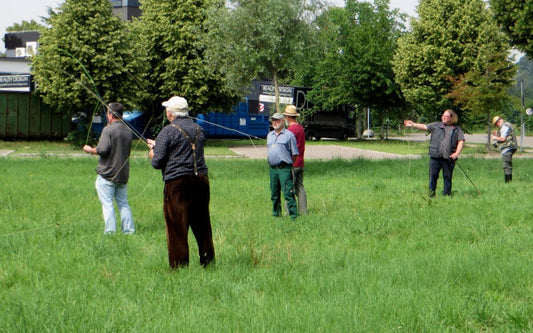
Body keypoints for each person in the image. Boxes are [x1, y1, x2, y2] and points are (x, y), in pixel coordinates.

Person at [147, 96, 215, 269]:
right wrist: (160, 146)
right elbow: (183, 147)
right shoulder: (199, 129)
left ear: (170, 113)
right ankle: (208, 262)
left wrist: (153, 152)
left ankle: (179, 266)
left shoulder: (167, 131)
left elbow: (157, 162)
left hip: (177, 184)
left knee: (177, 226)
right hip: (200, 181)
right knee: (202, 224)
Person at [83, 102, 135, 234]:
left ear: (110, 114)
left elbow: (102, 150)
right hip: (123, 175)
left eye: (107, 113)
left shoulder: (108, 130)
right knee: (123, 203)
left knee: (108, 205)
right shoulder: (128, 131)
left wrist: (89, 150)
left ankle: (110, 232)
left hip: (107, 174)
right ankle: (129, 231)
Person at [404, 109, 465, 196]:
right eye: (443, 115)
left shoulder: (456, 129)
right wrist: (413, 124)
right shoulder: (436, 125)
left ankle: (446, 195)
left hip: (448, 157)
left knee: (447, 177)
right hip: (435, 157)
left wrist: (456, 153)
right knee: (433, 177)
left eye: (446, 116)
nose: (444, 117)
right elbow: (425, 126)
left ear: (452, 118)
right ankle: (431, 194)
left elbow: (461, 141)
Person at [267, 113, 299, 219]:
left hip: (284, 168)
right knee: (274, 194)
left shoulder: (289, 135)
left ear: (282, 121)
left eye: (277, 120)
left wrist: (287, 164)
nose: (274, 123)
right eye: (273, 121)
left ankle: (293, 216)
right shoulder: (269, 136)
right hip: (273, 169)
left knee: (288, 193)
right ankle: (276, 214)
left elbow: (295, 154)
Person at [283, 104, 307, 215]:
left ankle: (290, 213)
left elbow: (286, 147)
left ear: (288, 117)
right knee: (300, 188)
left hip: (292, 164)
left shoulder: (290, 130)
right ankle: (303, 212)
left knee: (289, 188)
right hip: (301, 163)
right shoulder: (301, 128)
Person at [491, 116, 517, 183]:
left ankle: (508, 182)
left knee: (506, 165)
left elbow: (503, 138)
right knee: (507, 165)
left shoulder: (504, 126)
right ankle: (509, 182)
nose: (496, 126)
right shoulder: (507, 125)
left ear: (498, 122)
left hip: (508, 148)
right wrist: (497, 134)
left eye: (496, 124)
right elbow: (505, 135)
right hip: (510, 147)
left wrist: (495, 137)